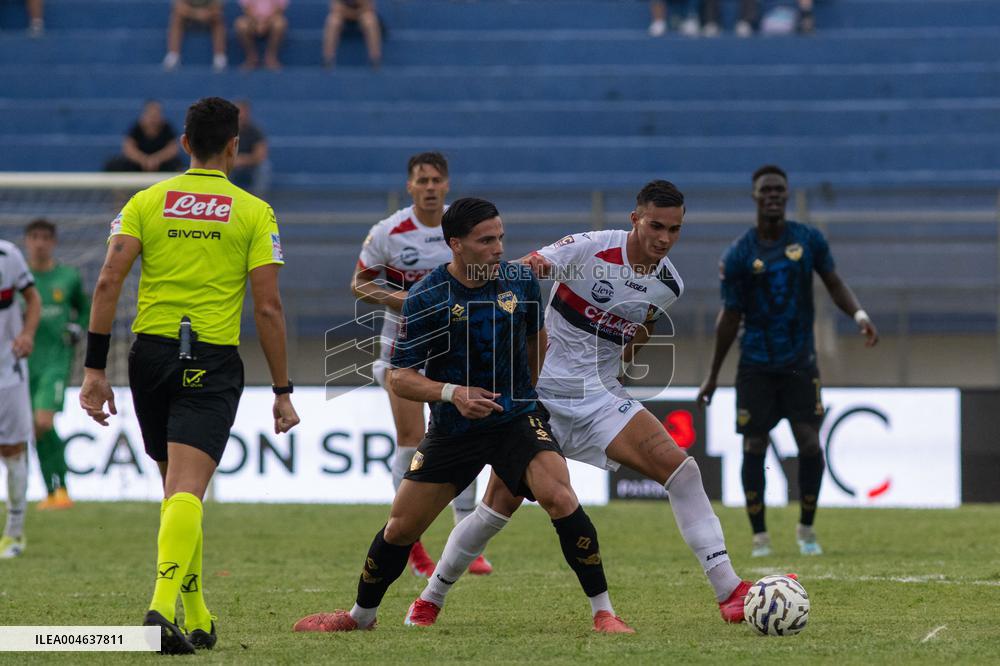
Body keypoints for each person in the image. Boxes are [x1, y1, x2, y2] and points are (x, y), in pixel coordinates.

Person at [405, 181, 754, 628]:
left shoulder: (670, 283)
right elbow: (528, 268)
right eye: (655, 226)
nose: (664, 238)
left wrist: (623, 367)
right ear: (635, 219)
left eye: (675, 229)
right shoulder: (590, 249)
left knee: (682, 470)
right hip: (539, 396)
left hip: (600, 396)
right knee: (496, 509)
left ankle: (728, 591)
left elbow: (641, 324)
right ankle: (430, 598)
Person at [294, 198, 634, 635]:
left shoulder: (520, 282)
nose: (498, 249)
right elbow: (400, 377)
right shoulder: (427, 297)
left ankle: (603, 612)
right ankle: (360, 617)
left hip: (515, 420)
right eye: (486, 240)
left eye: (501, 238)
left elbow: (538, 341)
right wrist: (453, 394)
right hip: (454, 429)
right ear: (456, 244)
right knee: (401, 528)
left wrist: (522, 396)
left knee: (561, 497)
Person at [80, 97, 300, 654]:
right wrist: (281, 389)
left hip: (148, 356)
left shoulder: (146, 200)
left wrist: (92, 370)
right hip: (210, 358)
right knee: (187, 489)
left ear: (182, 143)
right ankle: (158, 607)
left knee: (176, 488)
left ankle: (197, 614)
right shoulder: (254, 211)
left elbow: (107, 281)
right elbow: (269, 308)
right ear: (234, 147)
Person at [697, 165, 878, 558]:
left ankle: (806, 529)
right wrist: (712, 376)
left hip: (800, 363)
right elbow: (729, 317)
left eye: (780, 189)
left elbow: (833, 282)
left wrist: (859, 316)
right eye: (767, 190)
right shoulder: (740, 254)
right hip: (756, 365)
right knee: (754, 445)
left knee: (811, 443)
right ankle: (760, 536)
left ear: (787, 194)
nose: (774, 195)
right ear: (755, 197)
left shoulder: (808, 240)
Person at [351, 153, 491, 578]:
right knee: (411, 438)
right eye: (422, 180)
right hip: (405, 348)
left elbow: (487, 270)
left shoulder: (462, 226)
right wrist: (408, 301)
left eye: (436, 179)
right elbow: (359, 284)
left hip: (459, 348)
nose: (430, 186)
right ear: (410, 186)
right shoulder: (389, 232)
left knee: (463, 436)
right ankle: (410, 541)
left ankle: (465, 538)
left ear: (447, 184)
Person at [24, 219, 90, 511]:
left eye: (45, 237)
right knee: (36, 428)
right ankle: (56, 491)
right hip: (22, 366)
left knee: (42, 422)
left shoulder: (68, 277)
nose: (40, 242)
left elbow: (86, 309)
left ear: (53, 242)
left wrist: (77, 326)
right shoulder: (17, 279)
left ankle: (58, 488)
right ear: (27, 241)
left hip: (55, 363)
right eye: (34, 237)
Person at [0, 238, 40, 559]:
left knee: (13, 449)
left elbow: (33, 299)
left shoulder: (8, 254)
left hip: (7, 369)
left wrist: (27, 334)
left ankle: (14, 533)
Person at [104, 100, 183, 174]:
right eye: (151, 114)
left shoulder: (167, 128)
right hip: (138, 164)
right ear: (145, 114)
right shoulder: (137, 127)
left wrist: (156, 159)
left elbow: (173, 148)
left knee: (178, 165)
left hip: (162, 164)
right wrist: (143, 160)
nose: (153, 118)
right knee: (115, 164)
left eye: (156, 114)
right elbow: (128, 147)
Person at [163, 0, 228, 72]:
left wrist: (207, 14)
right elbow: (178, 6)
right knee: (176, 17)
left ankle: (219, 57)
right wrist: (196, 14)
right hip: (188, 16)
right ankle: (173, 55)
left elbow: (218, 8)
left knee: (218, 19)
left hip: (208, 15)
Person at [322, 0, 381, 69]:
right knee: (332, 21)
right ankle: (328, 60)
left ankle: (375, 60)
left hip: (362, 14)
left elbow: (370, 7)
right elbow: (334, 7)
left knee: (370, 21)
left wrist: (357, 11)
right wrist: (351, 13)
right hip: (342, 14)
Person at [230, 100, 272, 196]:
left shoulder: (255, 131)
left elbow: (261, 155)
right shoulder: (226, 131)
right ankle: (226, 199)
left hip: (251, 165)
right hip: (231, 164)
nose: (240, 115)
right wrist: (232, 161)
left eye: (243, 112)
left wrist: (243, 160)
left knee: (264, 168)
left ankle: (258, 200)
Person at [234, 0, 289, 70]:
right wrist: (256, 22)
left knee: (280, 24)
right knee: (241, 25)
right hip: (252, 20)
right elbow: (246, 9)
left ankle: (270, 58)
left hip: (272, 20)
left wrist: (265, 22)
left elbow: (279, 10)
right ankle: (252, 57)